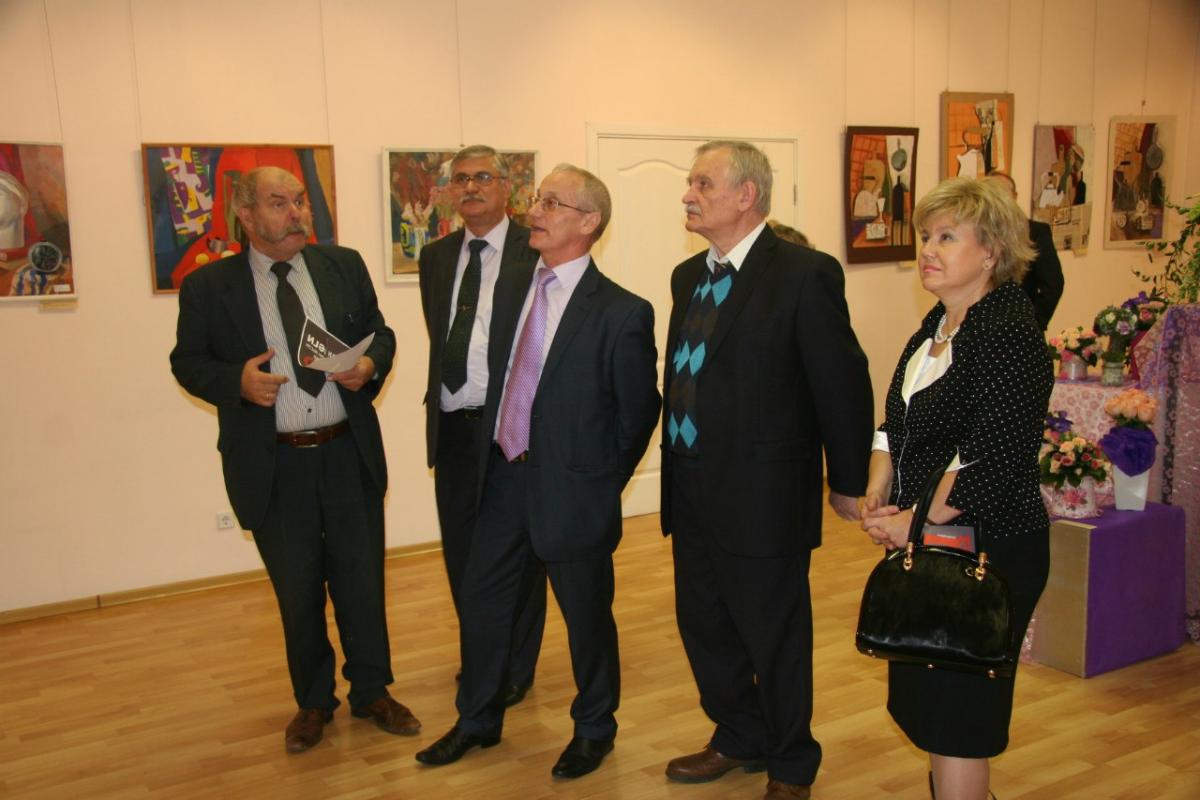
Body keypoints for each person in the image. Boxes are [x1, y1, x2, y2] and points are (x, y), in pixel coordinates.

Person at [415, 164, 660, 779]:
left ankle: (594, 729)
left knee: (585, 618)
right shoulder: (514, 289)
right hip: (503, 477)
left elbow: (638, 413)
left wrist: (599, 480)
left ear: (589, 221)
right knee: (484, 605)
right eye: (538, 199)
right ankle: (477, 720)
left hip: (573, 490)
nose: (536, 211)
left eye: (552, 202)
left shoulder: (621, 311)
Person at [170, 166, 419, 754]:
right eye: (279, 203)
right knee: (298, 589)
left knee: (361, 581)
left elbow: (380, 333)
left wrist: (368, 366)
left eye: (300, 201)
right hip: (275, 465)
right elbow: (187, 362)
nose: (297, 213)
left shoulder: (343, 266)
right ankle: (313, 702)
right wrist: (236, 382)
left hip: (346, 452)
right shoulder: (209, 287)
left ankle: (372, 691)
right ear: (246, 216)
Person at [661, 140, 874, 800]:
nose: (689, 194)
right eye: (690, 183)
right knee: (704, 625)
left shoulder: (804, 274)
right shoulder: (687, 276)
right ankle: (738, 734)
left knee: (772, 635)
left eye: (703, 183)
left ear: (746, 194)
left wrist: (847, 480)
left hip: (763, 493)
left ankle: (791, 761)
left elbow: (841, 382)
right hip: (690, 484)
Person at [858, 177, 1053, 800]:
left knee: (960, 719)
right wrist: (877, 489)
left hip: (989, 547)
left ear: (990, 252)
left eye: (947, 237)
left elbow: (990, 458)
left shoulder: (1009, 329)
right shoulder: (934, 328)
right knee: (935, 711)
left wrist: (911, 521)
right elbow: (896, 421)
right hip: (935, 539)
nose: (928, 249)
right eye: (925, 236)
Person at [418, 145, 546, 706]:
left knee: (517, 559)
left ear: (506, 188)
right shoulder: (436, 257)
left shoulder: (532, 249)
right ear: (450, 191)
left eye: (483, 177)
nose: (470, 187)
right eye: (461, 179)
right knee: (462, 552)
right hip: (452, 427)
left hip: (508, 429)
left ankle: (514, 667)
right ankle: (479, 657)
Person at [986, 171, 1064, 331]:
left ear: (1014, 197)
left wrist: (1033, 323)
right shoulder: (977, 234)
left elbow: (1053, 284)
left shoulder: (1035, 232)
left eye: (1002, 193)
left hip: (1020, 327)